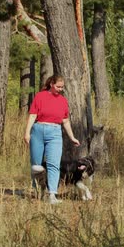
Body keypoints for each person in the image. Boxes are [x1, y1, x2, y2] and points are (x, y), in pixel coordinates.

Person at [24, 75, 80, 204]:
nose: (60, 89)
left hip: (55, 133)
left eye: (62, 87)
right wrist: (27, 133)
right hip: (38, 130)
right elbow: (33, 115)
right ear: (51, 84)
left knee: (53, 164)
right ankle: (39, 189)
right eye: (58, 86)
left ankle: (52, 195)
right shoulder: (40, 96)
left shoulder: (63, 101)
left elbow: (65, 121)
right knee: (36, 165)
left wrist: (72, 137)